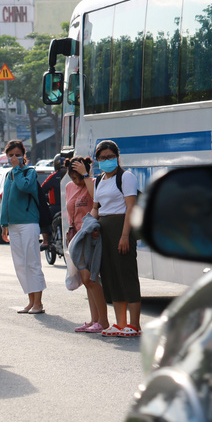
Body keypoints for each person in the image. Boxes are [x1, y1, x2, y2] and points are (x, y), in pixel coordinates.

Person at [90, 140, 142, 337]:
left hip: (122, 228)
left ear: (117, 157)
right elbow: (96, 208)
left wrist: (125, 236)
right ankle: (120, 323)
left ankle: (134, 324)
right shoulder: (98, 180)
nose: (107, 160)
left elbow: (131, 207)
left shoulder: (126, 177)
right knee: (111, 276)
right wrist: (90, 228)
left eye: (110, 157)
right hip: (104, 230)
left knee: (126, 274)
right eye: (102, 158)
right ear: (97, 160)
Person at [0, 140, 46, 314]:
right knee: (20, 264)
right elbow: (5, 202)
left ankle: (38, 303)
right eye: (11, 155)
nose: (14, 158)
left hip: (29, 223)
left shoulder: (29, 172)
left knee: (32, 262)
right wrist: (4, 225)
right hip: (13, 225)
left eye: (17, 155)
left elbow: (24, 186)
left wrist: (18, 168)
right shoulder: (8, 175)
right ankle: (30, 301)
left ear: (23, 155)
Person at [66, 156, 109, 333]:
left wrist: (85, 176)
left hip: (91, 236)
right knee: (86, 280)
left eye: (78, 177)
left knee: (90, 278)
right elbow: (69, 210)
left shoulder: (93, 183)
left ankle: (103, 321)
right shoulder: (69, 187)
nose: (76, 182)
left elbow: (96, 199)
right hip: (77, 236)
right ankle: (94, 320)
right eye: (73, 178)